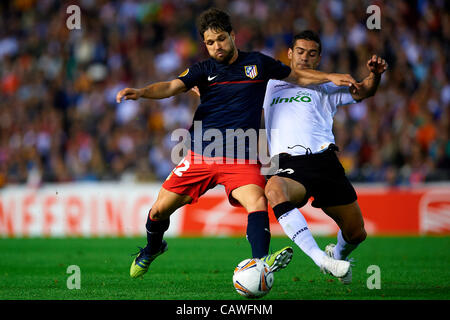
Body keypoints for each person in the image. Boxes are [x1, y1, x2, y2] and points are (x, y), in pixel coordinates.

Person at [116, 9, 357, 279]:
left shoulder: (258, 64)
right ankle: (152, 248)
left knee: (257, 201)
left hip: (241, 155)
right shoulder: (203, 70)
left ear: (232, 35)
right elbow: (172, 86)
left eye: (221, 39)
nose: (217, 46)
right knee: (159, 210)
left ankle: (260, 265)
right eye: (210, 42)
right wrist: (141, 92)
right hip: (202, 154)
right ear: (204, 45)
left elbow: (298, 76)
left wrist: (330, 77)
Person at [262, 30, 388, 283]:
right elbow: (233, 91)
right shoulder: (268, 84)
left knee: (356, 233)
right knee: (274, 189)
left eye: (311, 54)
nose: (305, 58)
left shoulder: (327, 85)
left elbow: (364, 92)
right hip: (289, 163)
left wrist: (375, 75)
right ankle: (322, 259)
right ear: (289, 54)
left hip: (325, 161)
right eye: (300, 52)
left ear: (318, 59)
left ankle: (338, 254)